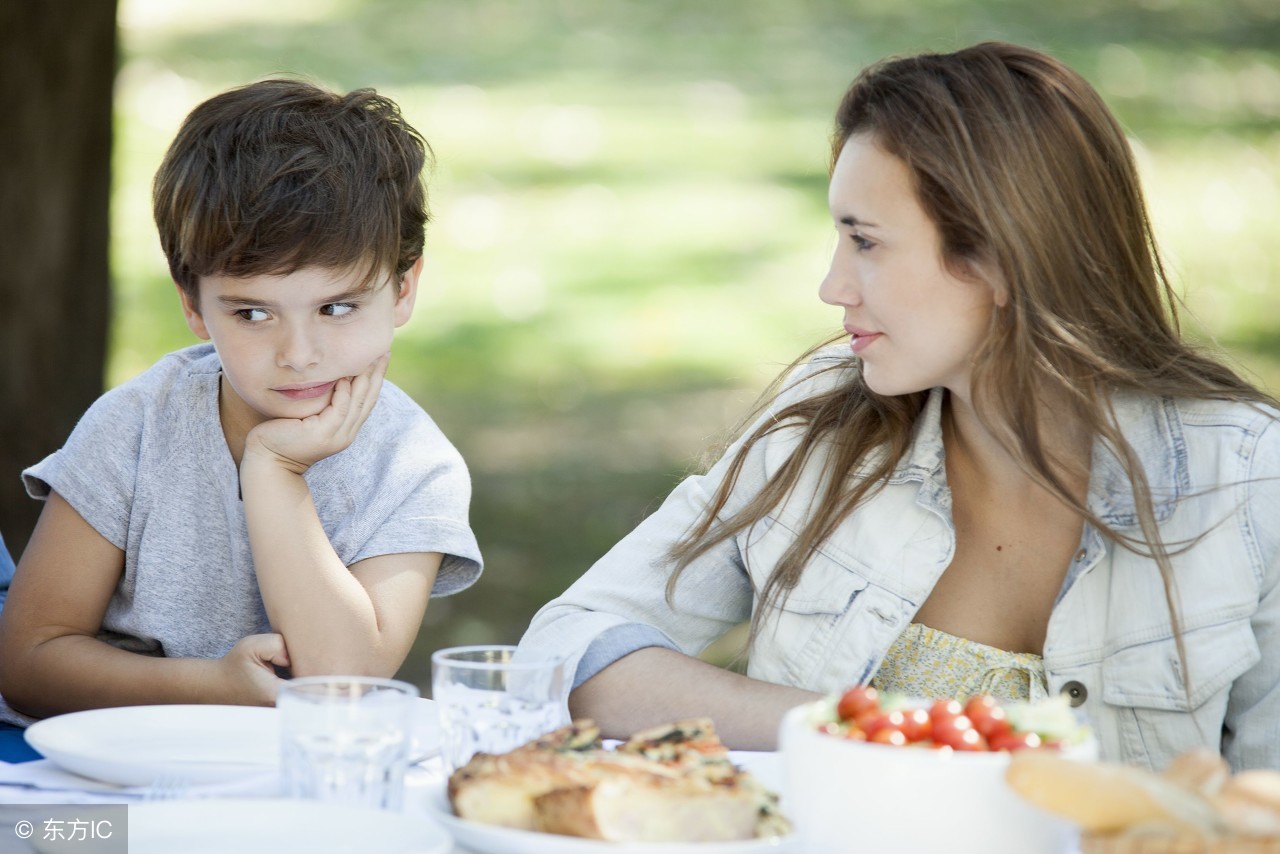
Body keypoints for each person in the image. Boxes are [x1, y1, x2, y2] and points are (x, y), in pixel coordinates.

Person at [517, 42, 1280, 772]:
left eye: (867, 243)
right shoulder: (818, 423)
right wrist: (852, 732)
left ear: (1002, 259)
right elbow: (570, 647)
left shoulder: (1247, 483)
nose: (832, 285)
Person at [0, 80, 482, 728]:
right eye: (253, 312)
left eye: (336, 307)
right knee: (68, 839)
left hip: (301, 801)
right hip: (109, 782)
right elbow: (28, 661)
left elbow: (341, 681)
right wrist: (211, 686)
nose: (299, 353)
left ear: (402, 288)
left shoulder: (412, 467)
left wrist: (275, 474)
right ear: (193, 305)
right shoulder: (137, 427)